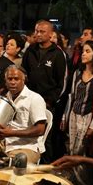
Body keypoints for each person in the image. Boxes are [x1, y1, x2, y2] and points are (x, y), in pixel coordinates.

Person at [22, 20, 69, 162]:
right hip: (29, 101)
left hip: (48, 104)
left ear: (51, 34)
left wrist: (49, 101)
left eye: (42, 31)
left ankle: (46, 169)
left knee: (46, 140)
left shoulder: (58, 54)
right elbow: (23, 71)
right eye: (36, 31)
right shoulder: (30, 50)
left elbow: (63, 83)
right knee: (28, 136)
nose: (38, 34)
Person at [62, 41, 93, 155]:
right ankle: (72, 173)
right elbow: (71, 97)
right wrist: (65, 116)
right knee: (72, 149)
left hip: (87, 116)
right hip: (74, 114)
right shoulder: (77, 73)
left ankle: (81, 173)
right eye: (83, 51)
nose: (83, 54)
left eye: (87, 51)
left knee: (82, 150)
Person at [0, 66, 46, 164]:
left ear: (24, 80)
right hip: (4, 144)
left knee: (15, 163)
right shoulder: (4, 97)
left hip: (27, 147)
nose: (12, 82)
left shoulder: (34, 98)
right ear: (5, 81)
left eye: (16, 79)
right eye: (9, 79)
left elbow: (40, 129)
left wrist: (11, 133)